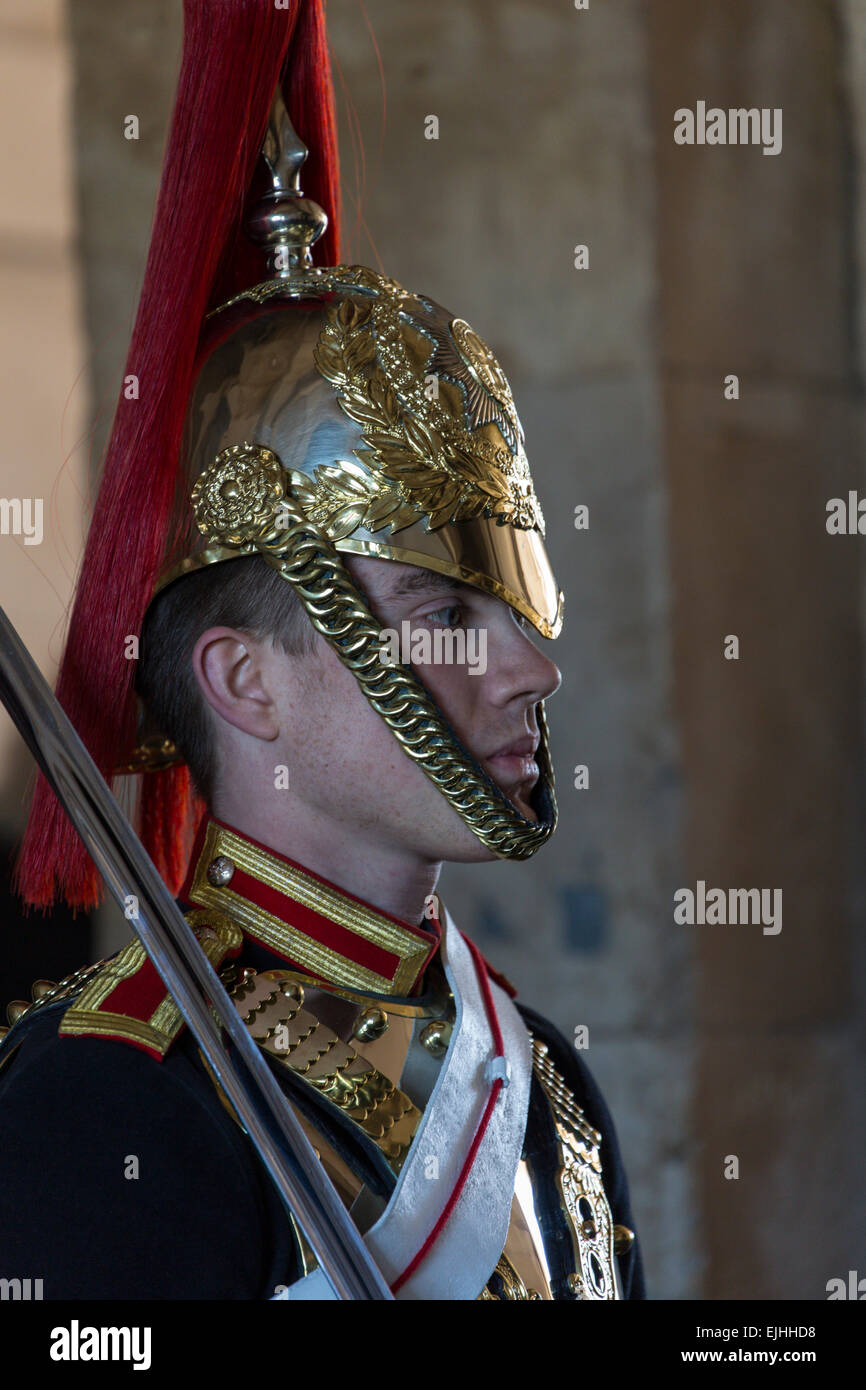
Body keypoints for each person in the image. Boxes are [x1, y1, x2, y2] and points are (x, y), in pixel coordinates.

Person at [0, 0, 644, 1301]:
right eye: (445, 613)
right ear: (246, 681)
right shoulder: (117, 1095)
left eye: (507, 610)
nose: (529, 668)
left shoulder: (540, 1082)